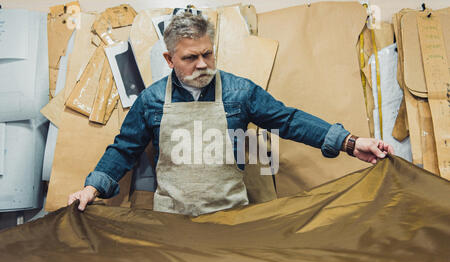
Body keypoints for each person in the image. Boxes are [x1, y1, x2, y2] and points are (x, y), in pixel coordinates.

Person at [68, 12, 394, 215]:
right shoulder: (151, 101)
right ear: (169, 60)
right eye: (190, 58)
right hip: (170, 226)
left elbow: (289, 121)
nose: (202, 64)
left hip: (231, 222)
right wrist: (92, 188)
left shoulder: (240, 93)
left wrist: (351, 142)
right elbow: (123, 151)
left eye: (208, 54)